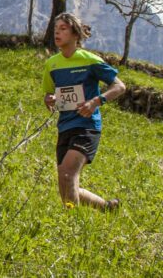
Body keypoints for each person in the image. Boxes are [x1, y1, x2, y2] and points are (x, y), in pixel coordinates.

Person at [42, 12, 126, 210]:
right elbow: (49, 95)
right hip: (65, 127)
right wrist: (50, 99)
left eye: (63, 29)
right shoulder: (51, 64)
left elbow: (120, 87)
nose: (57, 33)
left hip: (87, 127)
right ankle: (106, 207)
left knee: (67, 175)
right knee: (66, 185)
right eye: (55, 29)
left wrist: (96, 102)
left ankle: (71, 226)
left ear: (75, 34)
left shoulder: (90, 60)